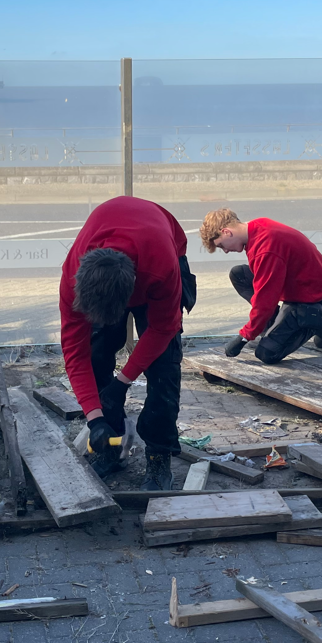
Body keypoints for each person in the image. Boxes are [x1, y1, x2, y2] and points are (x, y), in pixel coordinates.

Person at [60, 196, 195, 491]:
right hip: (122, 265)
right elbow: (75, 352)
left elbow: (163, 328)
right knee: (96, 352)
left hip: (159, 251)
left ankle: (159, 456)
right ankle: (109, 444)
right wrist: (94, 417)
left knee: (164, 367)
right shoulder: (72, 278)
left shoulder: (161, 269)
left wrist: (122, 382)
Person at [200, 208, 322, 363]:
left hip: (312, 298)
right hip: (299, 284)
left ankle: (318, 318)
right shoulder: (259, 225)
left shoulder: (266, 249)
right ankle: (273, 324)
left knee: (267, 354)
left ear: (226, 232)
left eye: (221, 245)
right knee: (239, 275)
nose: (225, 251)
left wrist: (244, 337)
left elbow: (265, 300)